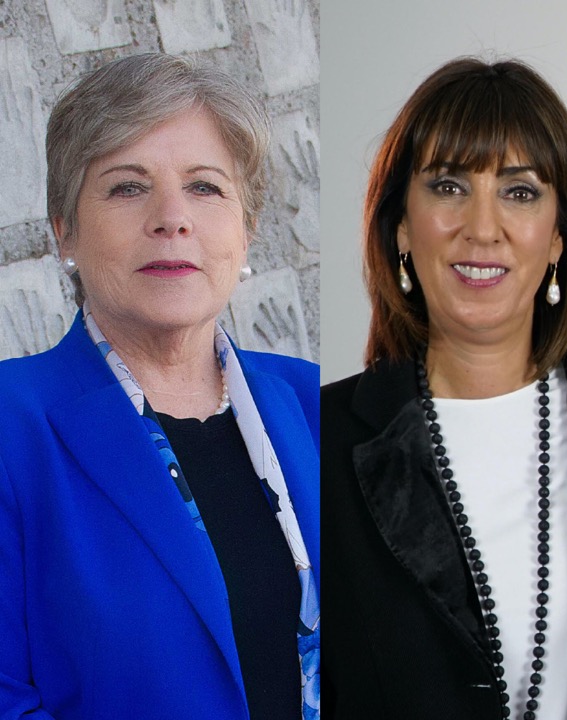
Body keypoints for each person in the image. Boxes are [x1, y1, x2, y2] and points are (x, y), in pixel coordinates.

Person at [0, 54, 320, 719]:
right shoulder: (13, 425)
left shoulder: (321, 403)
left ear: (247, 226)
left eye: (205, 188)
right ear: (65, 230)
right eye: (127, 187)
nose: (172, 217)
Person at [320, 57, 567, 720]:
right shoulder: (320, 436)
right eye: (447, 186)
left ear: (558, 238)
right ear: (401, 226)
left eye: (519, 192)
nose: (483, 227)